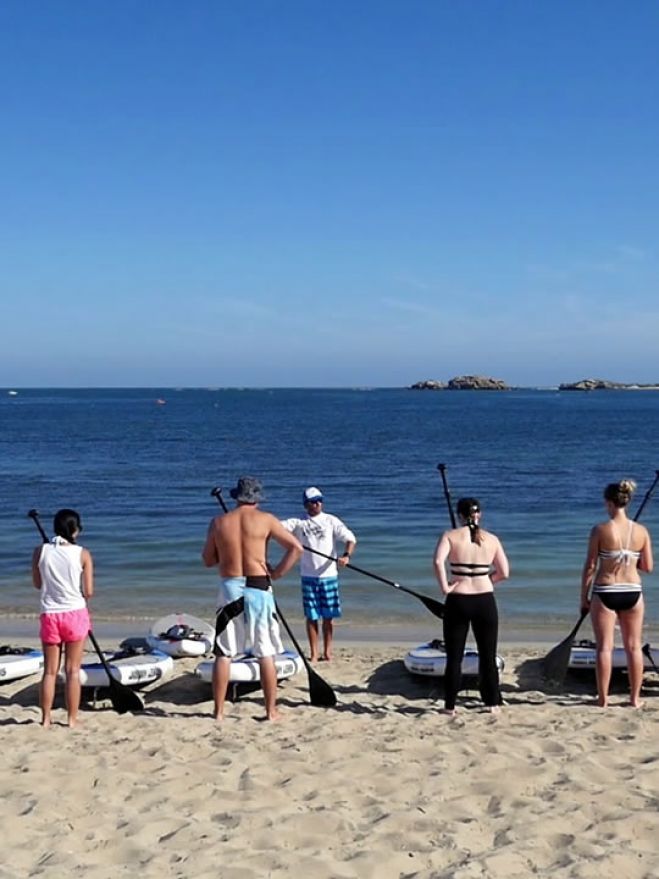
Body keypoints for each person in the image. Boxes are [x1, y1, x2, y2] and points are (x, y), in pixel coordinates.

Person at [202, 476, 302, 722]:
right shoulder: (266, 520)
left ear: (236, 497)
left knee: (224, 652)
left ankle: (219, 712)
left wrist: (226, 551)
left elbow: (208, 560)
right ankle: (270, 711)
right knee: (265, 651)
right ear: (257, 498)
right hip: (259, 586)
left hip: (230, 588)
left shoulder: (219, 522)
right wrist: (277, 573)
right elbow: (296, 548)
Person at [580, 479, 653, 709]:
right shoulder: (641, 531)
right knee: (633, 646)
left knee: (604, 647)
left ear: (609, 503)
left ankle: (603, 699)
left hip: (606, 590)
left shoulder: (600, 530)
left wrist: (584, 597)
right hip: (632, 591)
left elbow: (591, 566)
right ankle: (634, 699)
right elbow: (648, 566)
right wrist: (630, 558)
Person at [433, 497, 509, 716]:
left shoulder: (450, 535)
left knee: (454, 657)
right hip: (485, 600)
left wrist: (445, 588)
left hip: (458, 599)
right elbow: (504, 572)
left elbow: (438, 562)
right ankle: (492, 703)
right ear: (479, 514)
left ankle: (449, 706)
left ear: (459, 515)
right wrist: (486, 580)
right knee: (488, 654)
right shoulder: (492, 539)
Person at [31, 508, 94, 729]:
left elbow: (38, 584)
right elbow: (88, 591)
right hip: (75, 614)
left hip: (50, 614)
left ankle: (46, 718)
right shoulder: (83, 554)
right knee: (72, 671)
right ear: (75, 531)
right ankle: (72, 718)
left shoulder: (40, 551)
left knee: (50, 671)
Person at [281, 487, 357, 662]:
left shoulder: (330, 520)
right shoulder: (299, 522)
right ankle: (314, 653)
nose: (317, 504)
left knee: (328, 617)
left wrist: (346, 556)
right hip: (308, 576)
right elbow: (277, 528)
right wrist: (290, 541)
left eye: (319, 500)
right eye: (313, 501)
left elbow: (350, 539)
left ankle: (327, 651)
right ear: (306, 504)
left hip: (329, 575)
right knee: (311, 617)